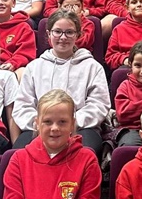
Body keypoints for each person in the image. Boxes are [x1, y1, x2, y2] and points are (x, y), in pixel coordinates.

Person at [11, 10, 110, 156]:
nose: (63, 37)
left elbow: (99, 104)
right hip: (40, 128)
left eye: (69, 32)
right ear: (49, 34)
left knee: (85, 153)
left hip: (81, 127)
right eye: (57, 32)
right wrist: (43, 124)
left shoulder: (92, 67)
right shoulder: (34, 67)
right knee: (18, 155)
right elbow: (23, 105)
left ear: (78, 35)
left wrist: (71, 123)